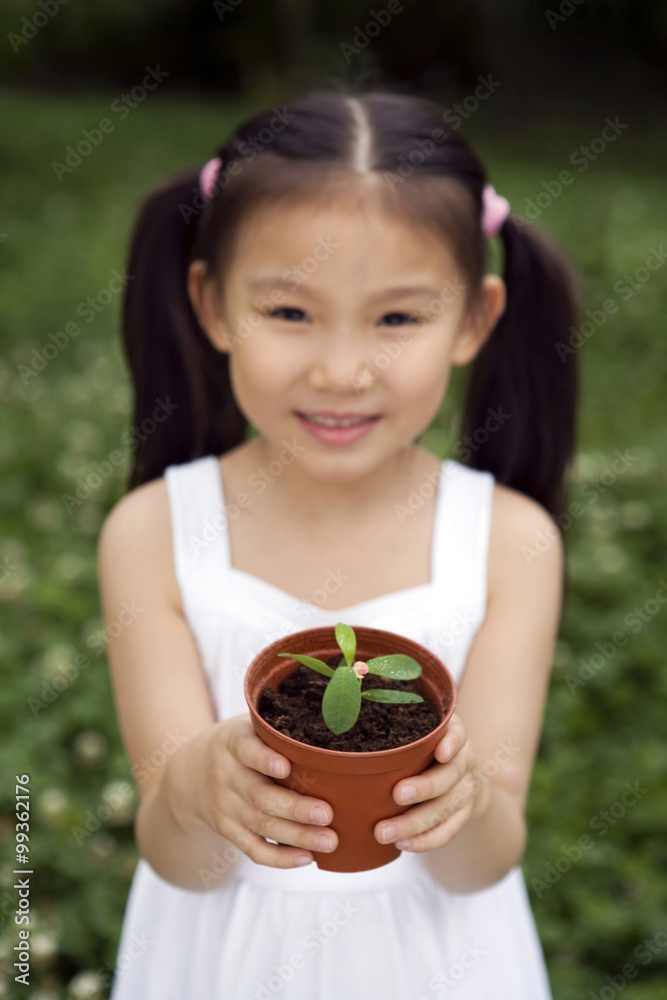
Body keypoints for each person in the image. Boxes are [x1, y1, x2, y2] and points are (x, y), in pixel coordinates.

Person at [98, 87, 579, 1000]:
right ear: (210, 304)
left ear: (474, 320)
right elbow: (180, 859)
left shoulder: (508, 542)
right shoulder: (155, 533)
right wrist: (199, 788)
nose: (340, 370)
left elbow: (482, 861)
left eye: (397, 318)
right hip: (221, 962)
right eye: (288, 313)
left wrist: (467, 804)